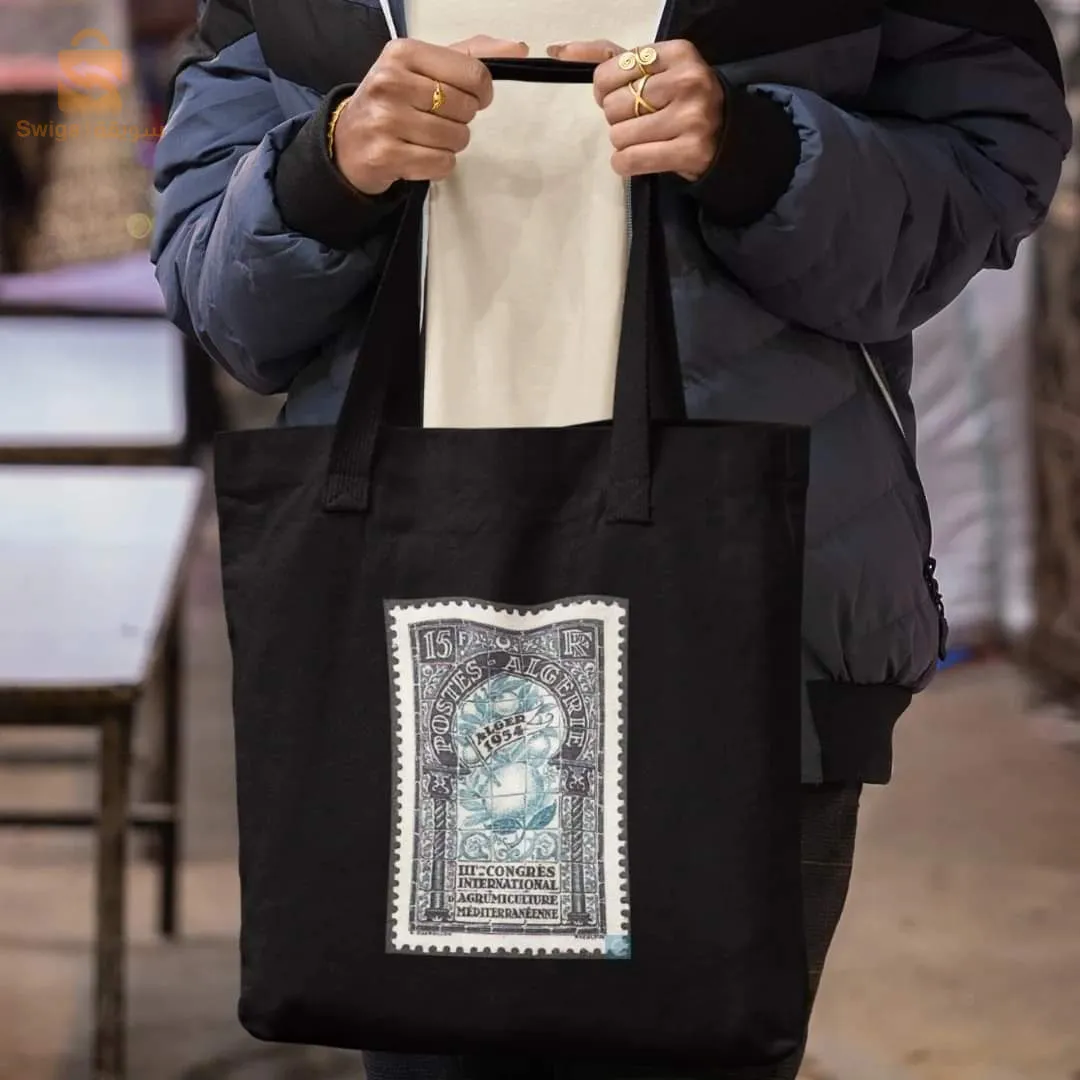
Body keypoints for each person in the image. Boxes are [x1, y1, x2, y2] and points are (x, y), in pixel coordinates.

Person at [151, 1, 1069, 1078]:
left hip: (745, 625)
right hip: (403, 630)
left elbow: (987, 163)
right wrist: (323, 171)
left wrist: (760, 154)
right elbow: (220, 296)